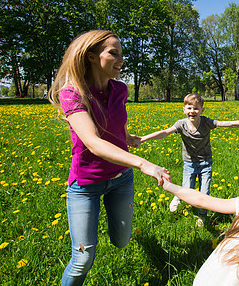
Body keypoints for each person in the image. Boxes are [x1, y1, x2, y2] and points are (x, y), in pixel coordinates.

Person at [48, 30, 171, 286]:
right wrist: (142, 162)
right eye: (113, 53)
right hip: (86, 185)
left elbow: (116, 121)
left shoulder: (120, 89)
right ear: (91, 57)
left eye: (121, 54)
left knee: (121, 240)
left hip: (121, 179)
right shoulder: (72, 93)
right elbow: (92, 142)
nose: (120, 59)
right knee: (82, 259)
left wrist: (127, 136)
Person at [138, 93, 239, 226]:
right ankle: (178, 197)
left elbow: (231, 124)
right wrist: (143, 139)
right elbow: (164, 132)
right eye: (189, 108)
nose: (192, 111)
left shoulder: (207, 123)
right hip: (189, 163)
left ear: (202, 110)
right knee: (187, 190)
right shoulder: (181, 125)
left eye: (196, 108)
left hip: (206, 163)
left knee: (204, 193)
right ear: (184, 109)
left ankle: (202, 216)